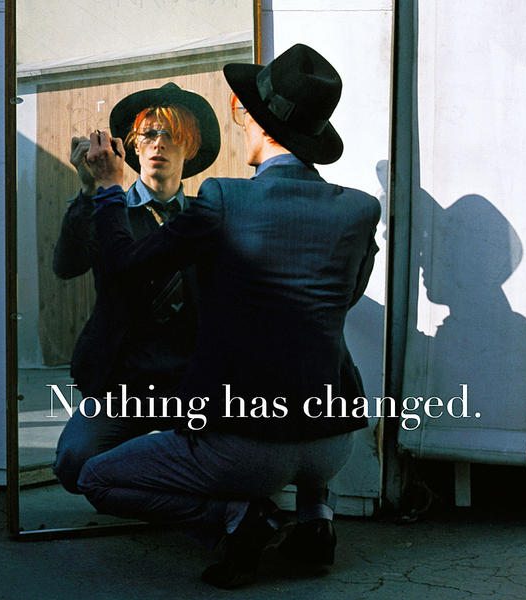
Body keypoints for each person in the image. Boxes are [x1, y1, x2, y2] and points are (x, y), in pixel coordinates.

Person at [77, 44, 381, 588]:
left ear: (259, 126)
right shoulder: (360, 208)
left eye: (242, 115)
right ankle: (317, 517)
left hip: (245, 446)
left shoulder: (223, 199)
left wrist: (105, 192)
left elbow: (125, 266)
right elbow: (344, 298)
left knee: (95, 477)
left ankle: (239, 518)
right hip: (332, 444)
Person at [52, 83, 220, 493]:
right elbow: (66, 266)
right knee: (73, 462)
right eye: (149, 134)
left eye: (173, 134)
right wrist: (88, 191)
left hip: (187, 380)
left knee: (232, 460)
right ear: (133, 146)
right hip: (121, 379)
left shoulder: (206, 218)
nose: (159, 143)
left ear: (190, 147)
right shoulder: (109, 211)